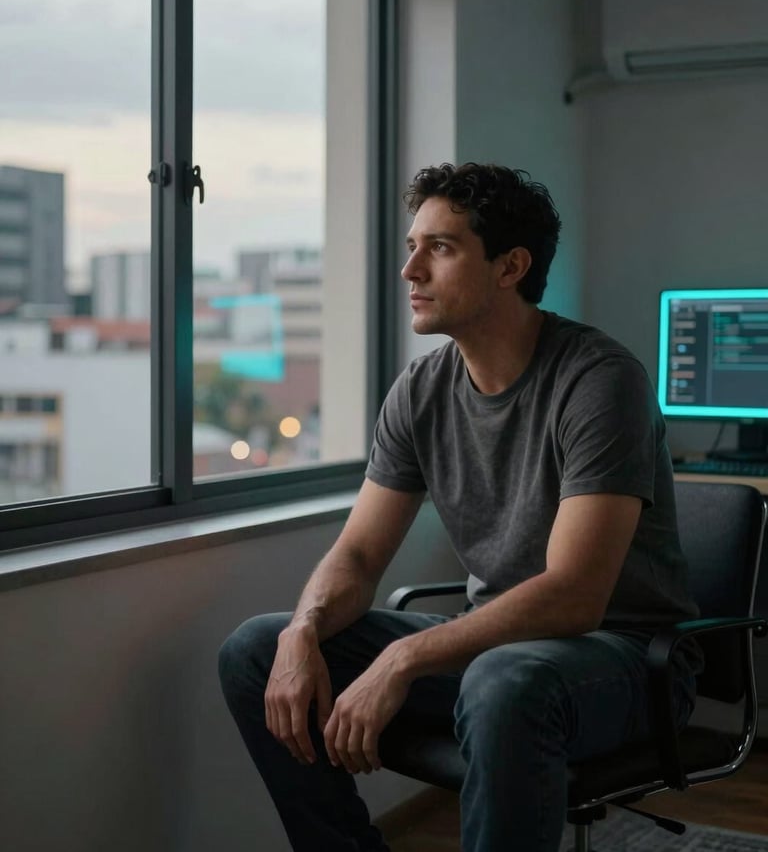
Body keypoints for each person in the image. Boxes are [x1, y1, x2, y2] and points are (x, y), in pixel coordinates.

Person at [218, 162, 701, 852]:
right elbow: (357, 555)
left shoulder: (600, 380)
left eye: (439, 248)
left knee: (503, 682)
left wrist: (403, 658)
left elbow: (574, 597)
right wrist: (301, 632)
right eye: (413, 245)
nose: (411, 268)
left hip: (626, 660)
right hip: (495, 654)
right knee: (254, 651)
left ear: (510, 267)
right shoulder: (421, 389)